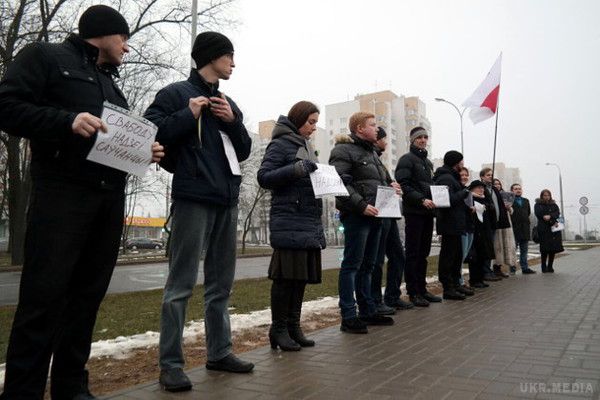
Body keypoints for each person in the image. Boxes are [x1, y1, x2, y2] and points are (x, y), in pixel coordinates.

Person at [0, 6, 164, 399]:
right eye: (124, 38)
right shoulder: (44, 56)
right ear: (105, 32)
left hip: (108, 200)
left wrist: (144, 151)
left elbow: (114, 143)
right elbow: (6, 107)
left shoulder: (112, 86)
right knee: (43, 299)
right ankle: (22, 392)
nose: (127, 46)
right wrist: (65, 121)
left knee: (87, 299)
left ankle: (72, 387)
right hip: (61, 196)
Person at [144, 31, 253, 392]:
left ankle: (219, 352)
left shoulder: (226, 99)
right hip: (193, 196)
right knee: (181, 285)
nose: (234, 63)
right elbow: (151, 133)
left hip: (227, 199)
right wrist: (188, 114)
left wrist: (232, 120)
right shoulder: (175, 93)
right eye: (229, 56)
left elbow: (245, 150)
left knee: (220, 285)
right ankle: (171, 365)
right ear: (210, 56)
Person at [257, 101, 325, 351]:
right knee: (286, 278)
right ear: (298, 120)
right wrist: (296, 169)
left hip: (307, 219)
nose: (314, 128)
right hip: (289, 219)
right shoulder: (280, 143)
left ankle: (293, 326)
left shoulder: (306, 145)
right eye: (311, 122)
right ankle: (278, 329)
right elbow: (264, 177)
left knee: (300, 278)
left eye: (316, 123)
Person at [329, 112, 395, 334]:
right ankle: (348, 315)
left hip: (377, 215)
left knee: (368, 265)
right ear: (359, 128)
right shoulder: (343, 150)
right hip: (358, 215)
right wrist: (360, 205)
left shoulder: (372, 152)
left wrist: (391, 187)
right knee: (352, 266)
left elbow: (379, 181)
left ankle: (367, 310)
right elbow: (339, 183)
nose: (377, 129)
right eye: (373, 125)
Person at [395, 127, 442, 307]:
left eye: (425, 137)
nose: (423, 140)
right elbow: (404, 185)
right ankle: (413, 292)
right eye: (419, 138)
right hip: (414, 212)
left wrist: (437, 198)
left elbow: (431, 186)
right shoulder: (406, 160)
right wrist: (421, 199)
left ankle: (422, 289)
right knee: (413, 253)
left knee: (424, 253)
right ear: (412, 140)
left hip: (428, 212)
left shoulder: (428, 163)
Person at [370, 128, 413, 314]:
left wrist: (392, 185)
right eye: (384, 138)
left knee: (398, 255)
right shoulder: (368, 157)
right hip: (378, 213)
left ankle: (392, 296)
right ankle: (375, 301)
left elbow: (384, 181)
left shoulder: (378, 159)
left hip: (389, 212)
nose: (386, 142)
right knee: (377, 260)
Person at [432, 151, 472, 300]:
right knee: (448, 257)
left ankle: (456, 284)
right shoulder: (446, 178)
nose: (463, 164)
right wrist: (464, 193)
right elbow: (446, 201)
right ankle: (448, 288)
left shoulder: (452, 177)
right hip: (449, 223)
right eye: (461, 162)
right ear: (456, 163)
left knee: (457, 256)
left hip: (456, 223)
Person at [465, 180, 496, 289]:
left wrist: (488, 206)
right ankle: (474, 279)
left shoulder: (485, 199)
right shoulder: (470, 198)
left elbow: (491, 210)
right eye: (478, 188)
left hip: (485, 230)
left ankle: (480, 278)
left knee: (483, 255)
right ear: (472, 189)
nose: (481, 190)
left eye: (482, 188)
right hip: (474, 230)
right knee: (475, 257)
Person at [479, 168, 504, 282]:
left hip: (495, 222)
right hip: (485, 223)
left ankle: (488, 270)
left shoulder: (494, 189)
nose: (490, 177)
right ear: (482, 176)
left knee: (491, 248)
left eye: (491, 175)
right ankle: (485, 271)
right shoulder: (481, 188)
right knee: (486, 248)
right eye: (488, 175)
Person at [491, 178, 517, 276]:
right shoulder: (491, 194)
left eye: (499, 184)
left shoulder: (506, 195)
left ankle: (501, 267)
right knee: (497, 245)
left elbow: (511, 211)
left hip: (506, 223)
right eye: (495, 184)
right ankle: (495, 267)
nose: (497, 185)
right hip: (497, 222)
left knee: (506, 246)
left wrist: (509, 207)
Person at [534, 189, 564, 273]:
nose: (546, 197)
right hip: (543, 229)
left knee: (552, 249)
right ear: (541, 196)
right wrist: (546, 217)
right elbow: (539, 214)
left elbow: (557, 213)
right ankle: (543, 267)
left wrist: (550, 216)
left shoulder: (554, 205)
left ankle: (550, 266)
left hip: (554, 229)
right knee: (544, 249)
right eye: (545, 195)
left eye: (548, 195)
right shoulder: (538, 204)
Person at [510, 183, 536, 274]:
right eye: (516, 189)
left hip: (525, 228)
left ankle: (525, 268)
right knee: (513, 250)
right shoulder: (509, 201)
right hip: (514, 228)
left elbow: (527, 212)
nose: (518, 190)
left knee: (524, 250)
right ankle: (512, 269)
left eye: (519, 189)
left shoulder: (526, 201)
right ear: (512, 191)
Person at [459, 167, 474, 288]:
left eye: (466, 175)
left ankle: (460, 280)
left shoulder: (468, 191)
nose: (464, 177)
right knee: (460, 255)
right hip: (461, 227)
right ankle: (459, 281)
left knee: (464, 254)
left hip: (469, 225)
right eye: (462, 174)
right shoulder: (458, 189)